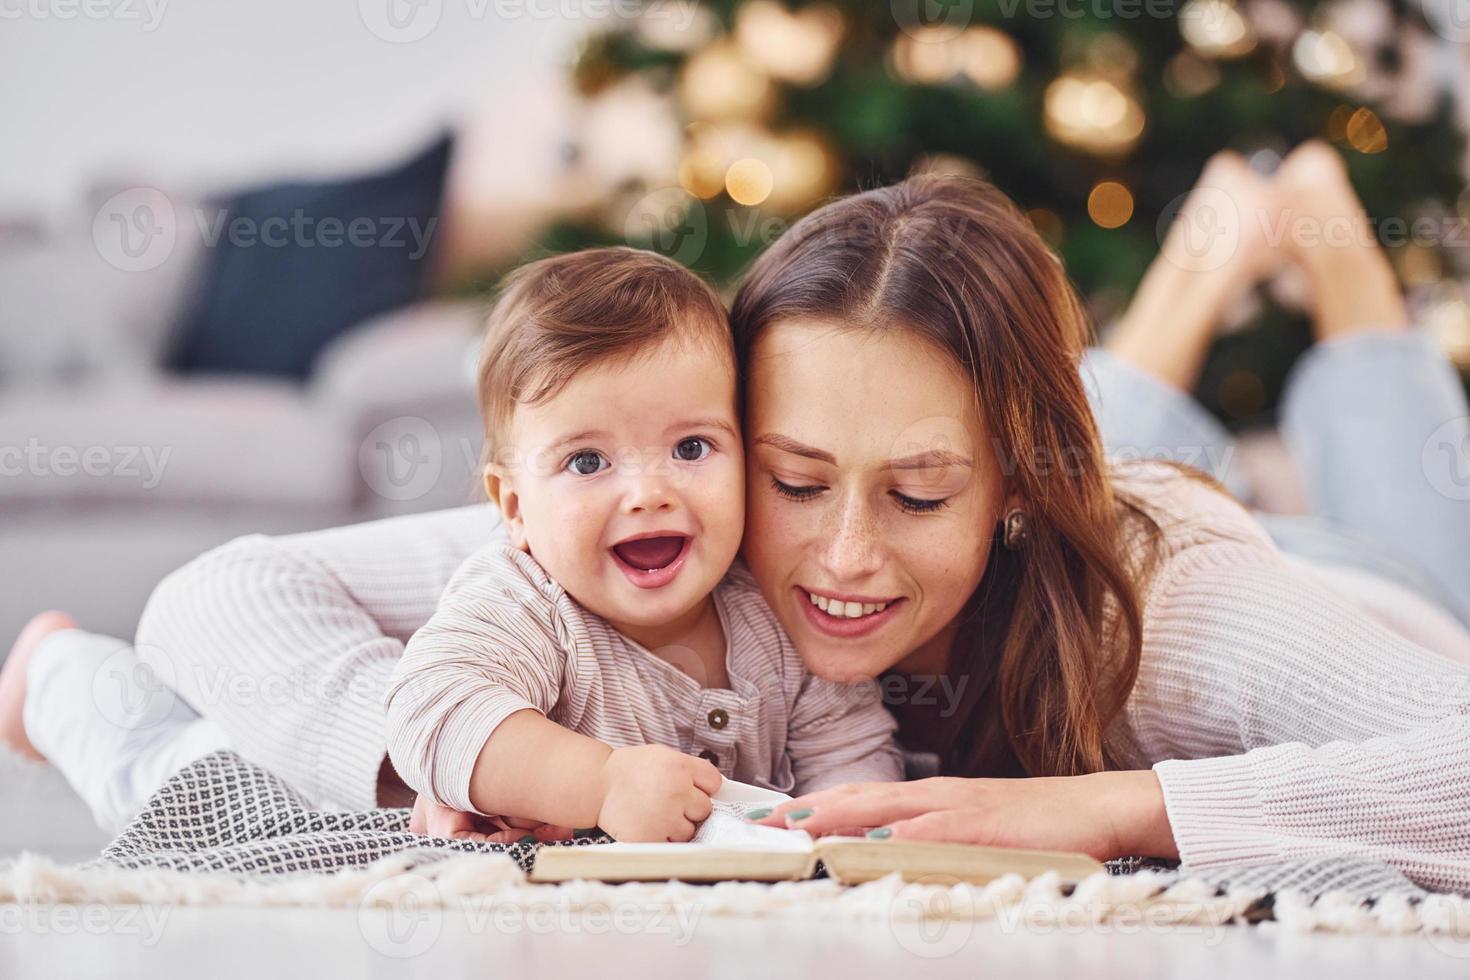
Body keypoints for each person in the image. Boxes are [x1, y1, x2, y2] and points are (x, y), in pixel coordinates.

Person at [3, 143, 1468, 890]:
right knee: (1065, 426)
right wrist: (492, 767)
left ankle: (1326, 255)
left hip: (1347, 585)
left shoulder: (1175, 613)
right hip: (1050, 483)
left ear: (1007, 488)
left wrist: (1103, 807)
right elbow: (217, 600)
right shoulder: (669, 527)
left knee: (1389, 498)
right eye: (789, 476)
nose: (836, 556)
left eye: (913, 495)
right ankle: (1191, 278)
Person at [383, 247, 900, 844]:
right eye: (587, 461)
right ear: (516, 506)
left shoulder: (772, 604)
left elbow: (851, 753)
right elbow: (430, 710)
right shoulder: (527, 606)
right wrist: (599, 785)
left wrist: (852, 838)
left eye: (691, 449)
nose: (648, 494)